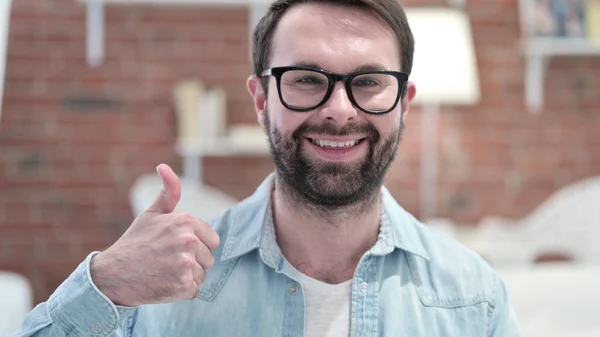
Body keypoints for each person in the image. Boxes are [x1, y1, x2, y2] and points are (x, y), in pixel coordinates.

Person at [12, 0, 521, 336]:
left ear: (404, 102)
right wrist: (106, 284)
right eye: (305, 79)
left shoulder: (470, 296)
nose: (340, 110)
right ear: (261, 98)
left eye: (368, 82)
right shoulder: (162, 289)